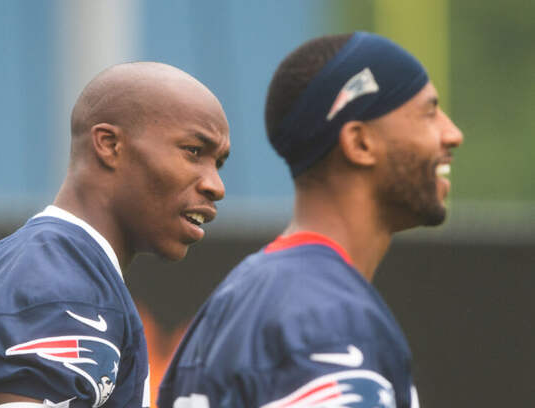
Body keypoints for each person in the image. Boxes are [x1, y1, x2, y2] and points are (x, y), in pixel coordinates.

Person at [158, 32, 463, 408]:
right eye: (429, 113)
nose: (453, 134)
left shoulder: (239, 300)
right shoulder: (325, 316)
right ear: (360, 144)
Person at [0, 62, 230, 408]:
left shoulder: (42, 262)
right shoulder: (58, 282)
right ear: (109, 144)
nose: (215, 186)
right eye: (193, 151)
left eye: (218, 163)